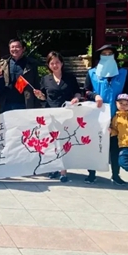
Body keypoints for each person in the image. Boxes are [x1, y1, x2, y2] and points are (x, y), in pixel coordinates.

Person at [84, 44, 128, 185]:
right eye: (104, 54)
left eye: (110, 53)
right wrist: (95, 96)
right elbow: (86, 91)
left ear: (114, 56)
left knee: (115, 147)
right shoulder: (92, 73)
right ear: (99, 56)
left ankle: (115, 175)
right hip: (97, 116)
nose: (107, 56)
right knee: (95, 146)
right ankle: (91, 174)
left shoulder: (123, 73)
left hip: (117, 117)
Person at [34, 51, 82, 182]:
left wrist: (76, 98)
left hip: (67, 114)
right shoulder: (45, 79)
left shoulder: (70, 78)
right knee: (52, 142)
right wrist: (39, 96)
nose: (55, 65)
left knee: (64, 141)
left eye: (57, 62)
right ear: (48, 65)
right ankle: (53, 168)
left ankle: (63, 170)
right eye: (52, 63)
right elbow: (44, 97)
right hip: (51, 115)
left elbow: (78, 92)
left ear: (62, 63)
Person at [0, 39, 39, 112]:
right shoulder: (3, 63)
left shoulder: (31, 64)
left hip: (24, 103)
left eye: (17, 47)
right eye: (12, 47)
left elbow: (36, 84)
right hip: (6, 103)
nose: (14, 49)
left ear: (23, 49)